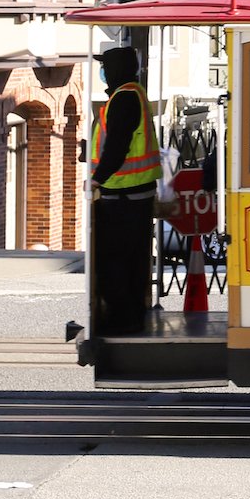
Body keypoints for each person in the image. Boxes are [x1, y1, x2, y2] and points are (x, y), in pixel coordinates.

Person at [89, 44, 162, 337]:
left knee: (114, 260)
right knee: (132, 258)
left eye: (104, 66)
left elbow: (118, 145)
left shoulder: (124, 98)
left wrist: (97, 178)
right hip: (135, 193)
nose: (102, 72)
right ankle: (132, 315)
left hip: (122, 194)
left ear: (115, 70)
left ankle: (123, 319)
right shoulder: (134, 94)